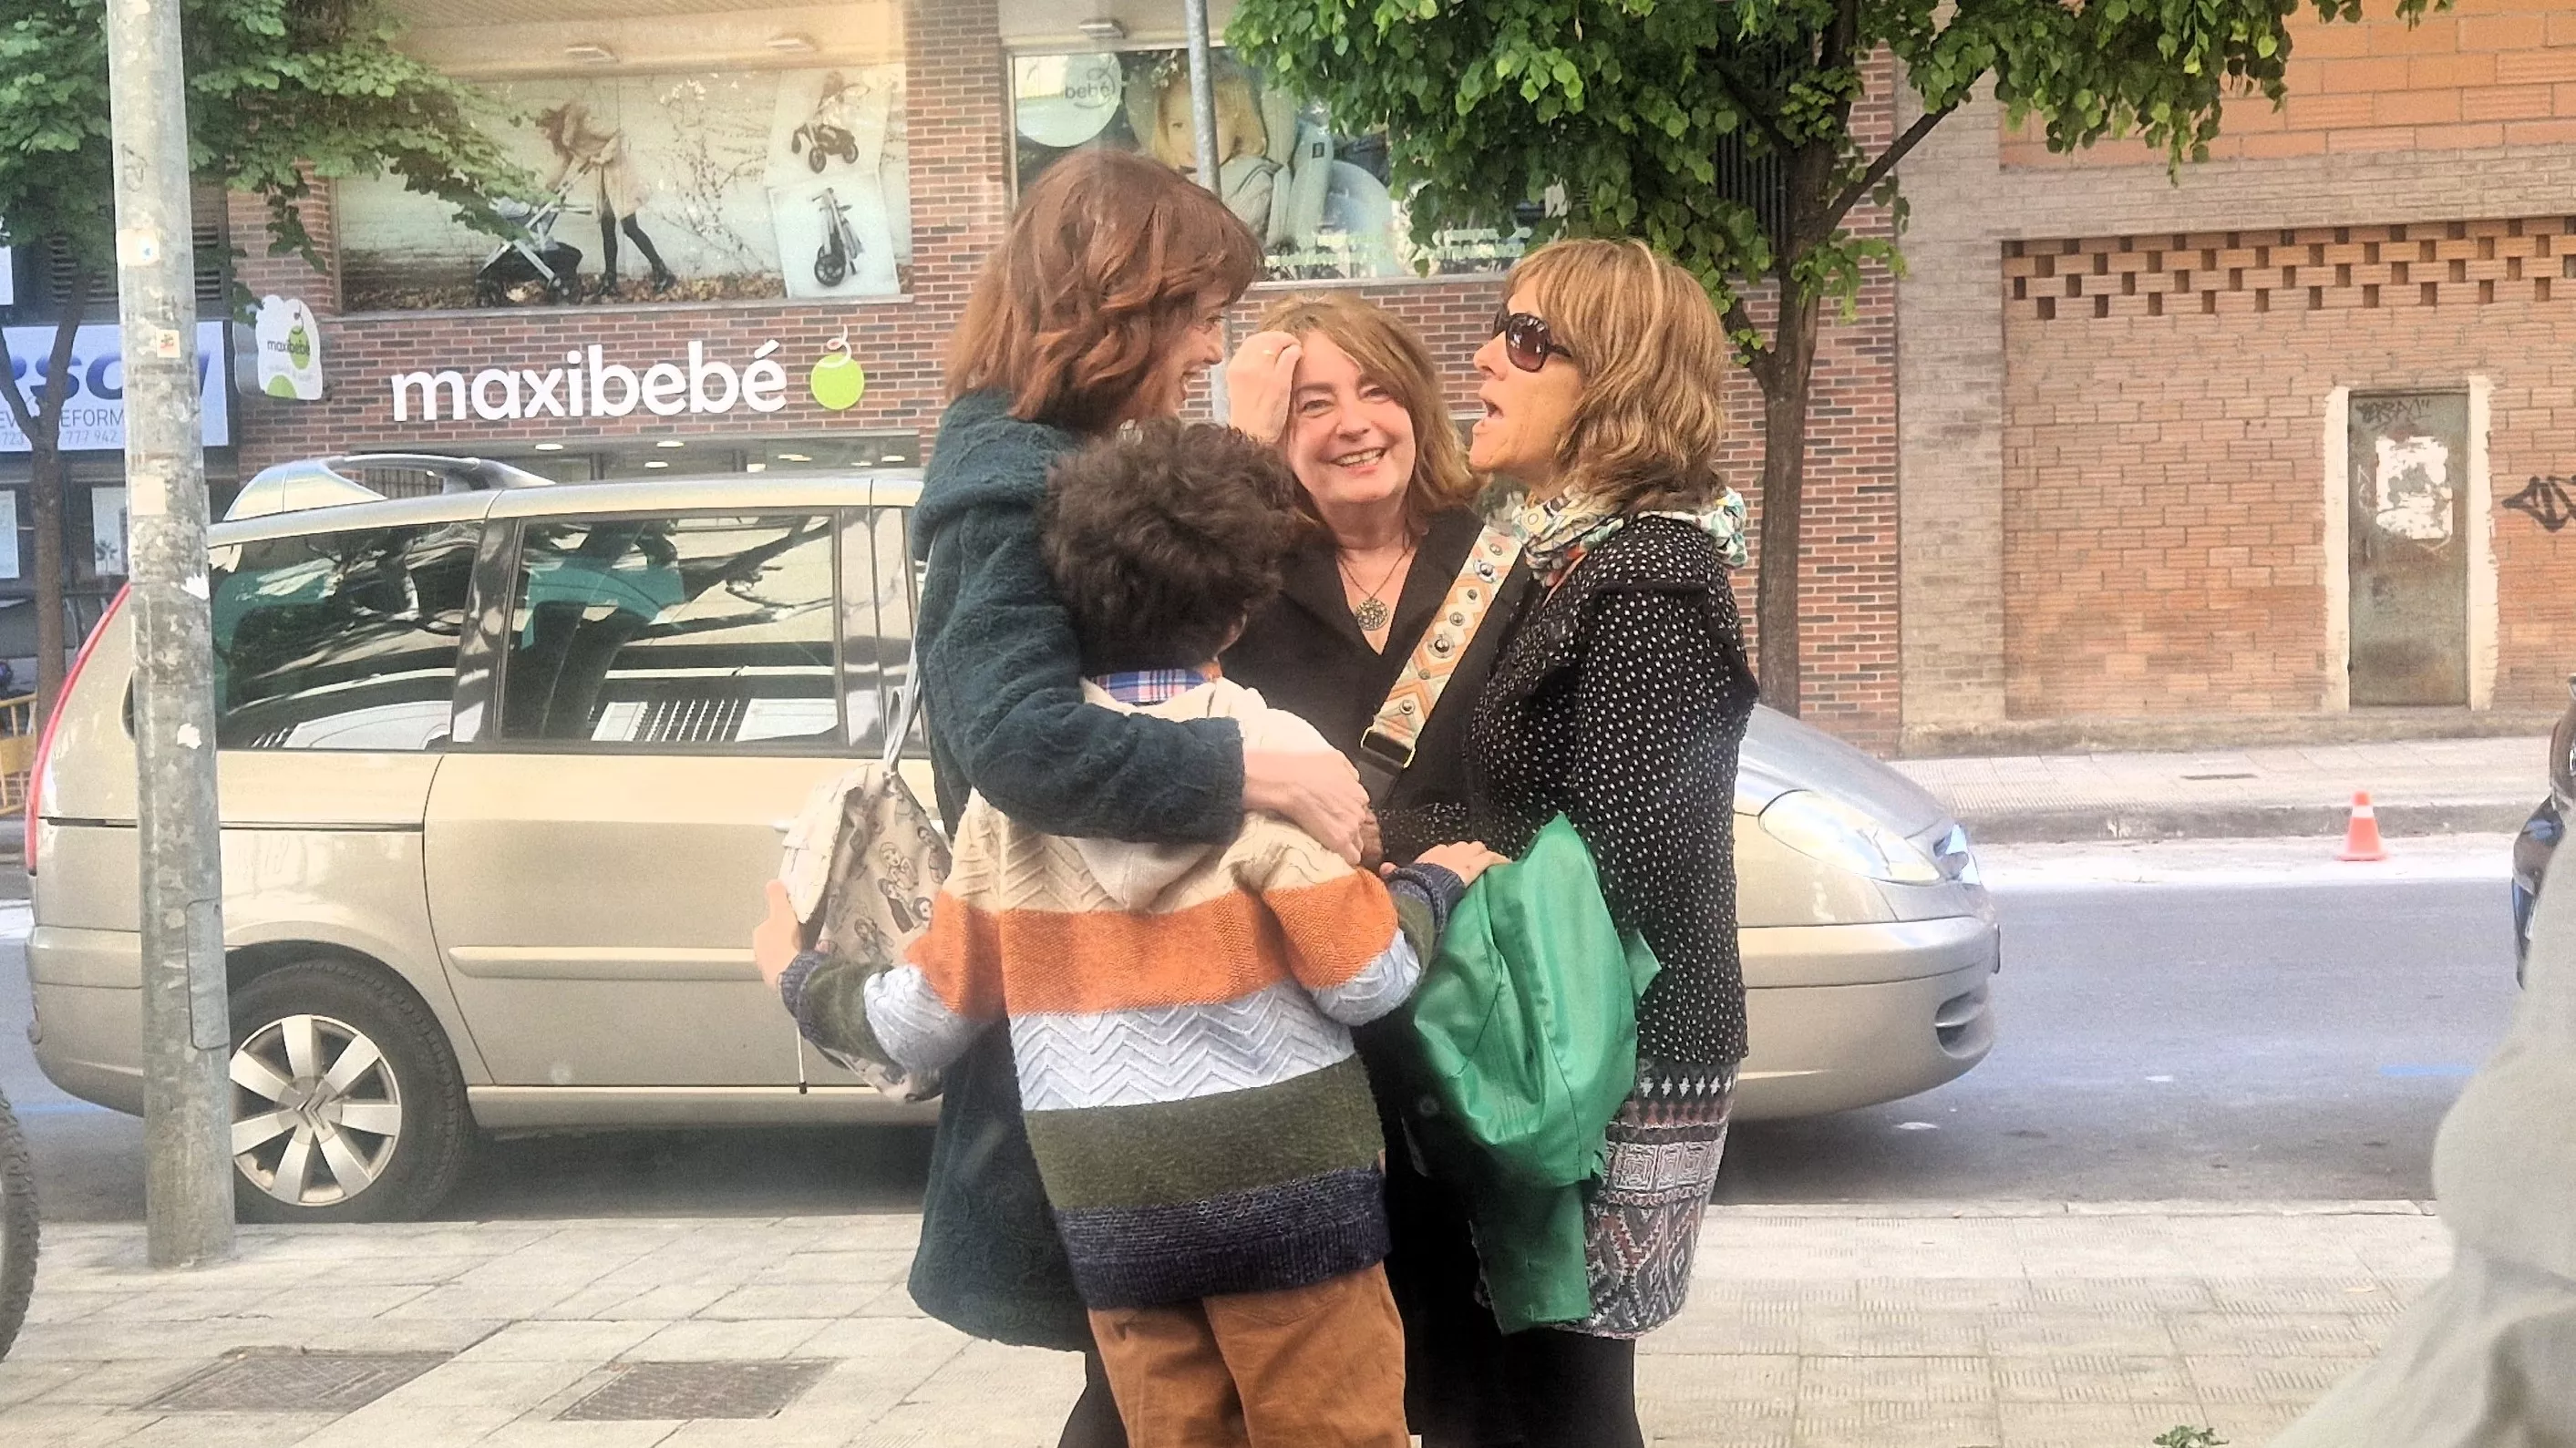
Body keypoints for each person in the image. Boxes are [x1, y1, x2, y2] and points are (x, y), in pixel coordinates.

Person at [780, 419, 1501, 1447]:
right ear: (1244, 606)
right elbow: (1369, 980)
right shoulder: (1274, 760)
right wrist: (1433, 886)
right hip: (1290, 1205)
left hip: (1117, 1217)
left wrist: (800, 973)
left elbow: (923, 1019)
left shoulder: (1012, 803)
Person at [901, 149, 1374, 1447]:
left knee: (1155, 1390)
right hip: (1111, 1018)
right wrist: (1253, 768)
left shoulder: (1049, 444)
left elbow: (1155, 631)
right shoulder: (1005, 474)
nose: (1208, 342)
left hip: (1137, 1012)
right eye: (1198, 313)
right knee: (1153, 1387)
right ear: (1120, 303)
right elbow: (1019, 738)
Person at [1455, 239, 1760, 1446]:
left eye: (1528, 340)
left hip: (1604, 1056)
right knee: (1517, 1398)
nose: (1485, 353)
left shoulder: (1646, 587)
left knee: (1559, 1403)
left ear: (1619, 385)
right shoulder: (1554, 557)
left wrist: (1421, 865)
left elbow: (1613, 865)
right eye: (1498, 325)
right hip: (1554, 1035)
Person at [1218, 293, 1535, 1445]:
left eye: (1376, 389)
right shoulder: (1239, 581)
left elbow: (1538, 784)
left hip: (1467, 1007)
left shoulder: (1507, 554)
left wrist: (1395, 846)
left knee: (1481, 1367)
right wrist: (1237, 443)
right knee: (1307, 1371)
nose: (1354, 424)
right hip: (1301, 1025)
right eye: (1312, 403)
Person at [536, 100, 677, 300]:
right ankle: (610, 280)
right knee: (607, 226)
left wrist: (603, 156)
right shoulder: (565, 140)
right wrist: (548, 190)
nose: (544, 136)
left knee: (629, 226)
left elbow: (617, 133)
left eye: (544, 131)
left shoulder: (583, 124)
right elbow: (563, 164)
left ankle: (663, 271)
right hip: (605, 178)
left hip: (619, 173)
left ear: (553, 125)